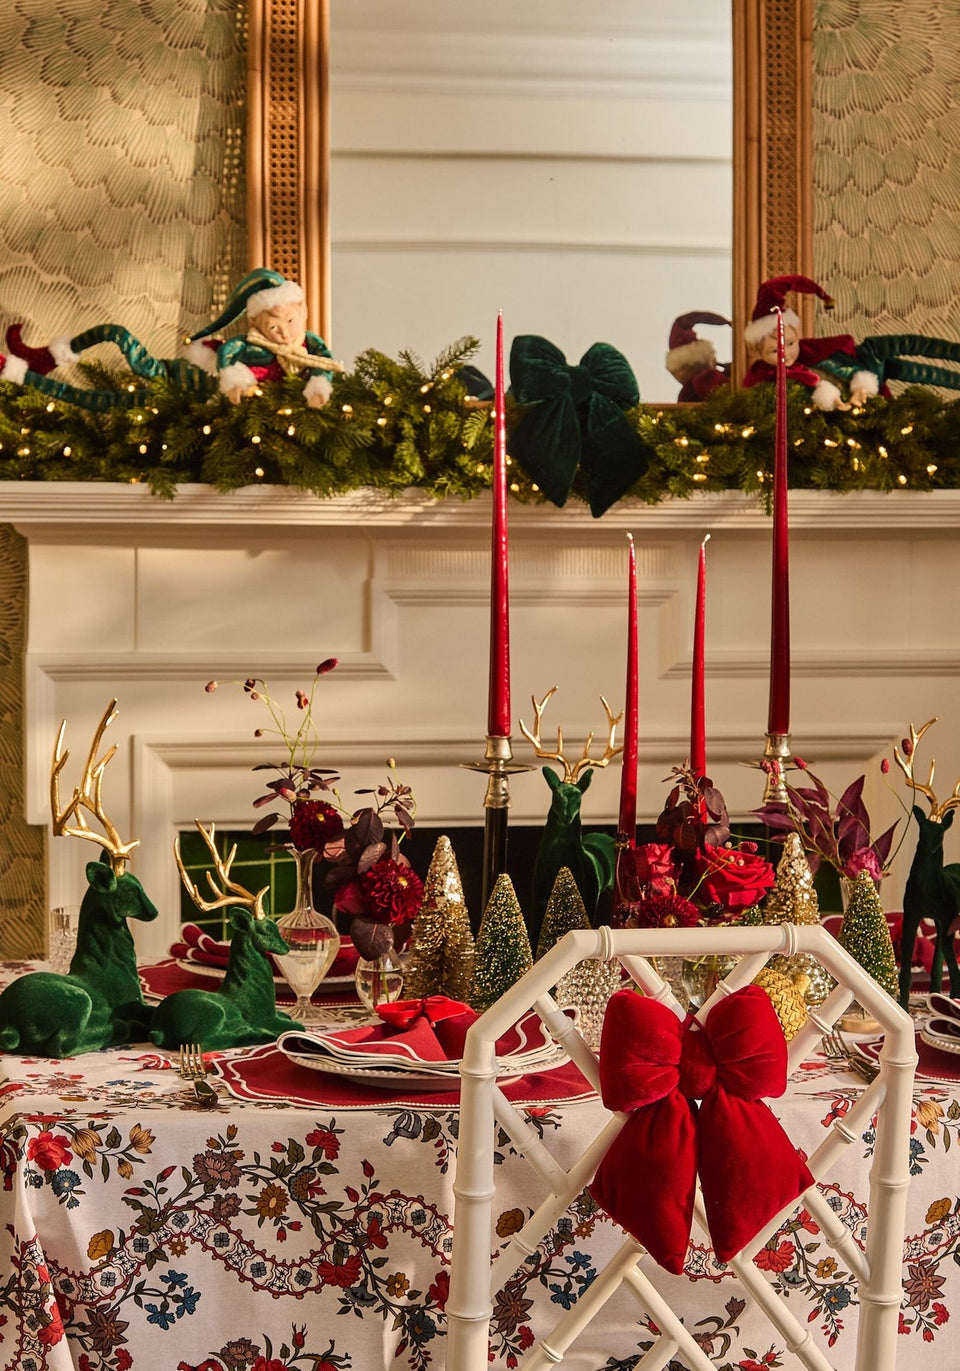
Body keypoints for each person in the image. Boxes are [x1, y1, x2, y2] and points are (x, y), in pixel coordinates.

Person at [186, 267, 342, 407]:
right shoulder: (251, 345)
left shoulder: (308, 342)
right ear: (255, 323)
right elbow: (227, 356)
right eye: (273, 327)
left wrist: (318, 388)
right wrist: (234, 384)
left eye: (290, 321)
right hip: (258, 404)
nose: (285, 333)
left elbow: (323, 361)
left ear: (302, 312)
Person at [742, 275, 881, 410]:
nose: (786, 353)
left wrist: (860, 387)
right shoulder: (761, 376)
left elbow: (839, 370)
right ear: (758, 350)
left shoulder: (810, 360)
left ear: (797, 337)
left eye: (790, 343)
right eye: (775, 351)